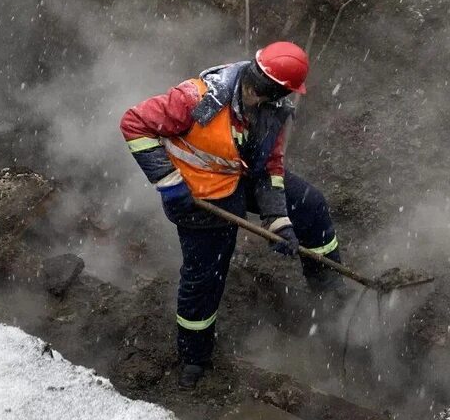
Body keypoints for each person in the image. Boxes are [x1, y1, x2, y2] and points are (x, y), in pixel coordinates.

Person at [120, 41, 343, 389]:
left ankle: (330, 295)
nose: (259, 99)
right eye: (259, 91)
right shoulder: (196, 98)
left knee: (310, 204)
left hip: (241, 177)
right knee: (205, 277)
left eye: (270, 95)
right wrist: (168, 182)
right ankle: (194, 356)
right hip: (199, 196)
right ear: (256, 79)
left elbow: (270, 168)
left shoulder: (274, 110)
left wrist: (278, 219)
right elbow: (134, 123)